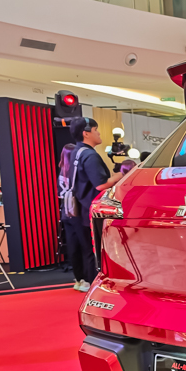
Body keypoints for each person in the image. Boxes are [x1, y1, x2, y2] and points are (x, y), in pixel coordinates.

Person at [68, 117, 117, 285]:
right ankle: (96, 285)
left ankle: (86, 282)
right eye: (96, 130)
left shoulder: (76, 152)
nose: (99, 133)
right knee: (95, 250)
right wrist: (120, 176)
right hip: (91, 208)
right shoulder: (89, 155)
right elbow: (100, 184)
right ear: (86, 133)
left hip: (78, 208)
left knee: (86, 250)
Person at [58, 143, 90, 292]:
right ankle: (87, 279)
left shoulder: (62, 172)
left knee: (73, 246)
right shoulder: (75, 173)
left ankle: (78, 279)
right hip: (77, 212)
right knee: (86, 247)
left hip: (66, 212)